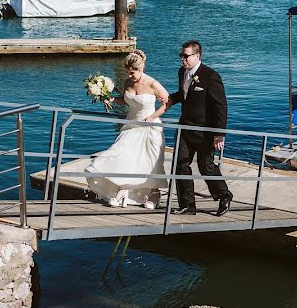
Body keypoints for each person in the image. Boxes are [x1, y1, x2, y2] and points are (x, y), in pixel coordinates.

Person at [85, 50, 169, 209]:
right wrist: (109, 98)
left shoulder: (152, 83)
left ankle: (154, 193)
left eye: (133, 73)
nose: (130, 76)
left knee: (150, 161)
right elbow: (126, 102)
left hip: (150, 127)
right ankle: (123, 190)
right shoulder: (127, 83)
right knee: (122, 156)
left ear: (141, 68)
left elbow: (168, 102)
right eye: (128, 73)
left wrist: (152, 117)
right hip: (131, 125)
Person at [165, 40, 233, 217]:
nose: (182, 59)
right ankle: (188, 205)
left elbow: (221, 106)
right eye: (181, 56)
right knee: (180, 164)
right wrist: (170, 99)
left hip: (205, 131)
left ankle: (224, 195)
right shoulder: (182, 72)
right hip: (185, 127)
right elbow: (184, 94)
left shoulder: (211, 76)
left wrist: (219, 134)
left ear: (197, 56)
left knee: (206, 166)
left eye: (185, 56)